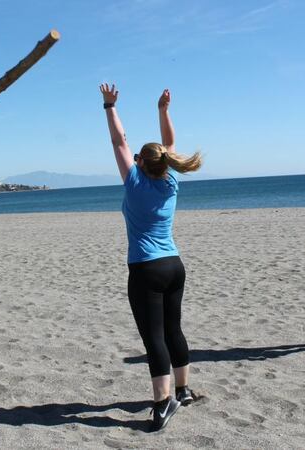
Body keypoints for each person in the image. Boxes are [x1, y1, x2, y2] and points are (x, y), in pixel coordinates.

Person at [99, 83, 203, 432]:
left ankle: (162, 405)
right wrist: (163, 110)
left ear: (142, 162)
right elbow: (168, 147)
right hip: (175, 265)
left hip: (146, 269)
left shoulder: (135, 182)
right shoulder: (170, 181)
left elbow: (119, 142)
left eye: (139, 158)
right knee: (173, 329)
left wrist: (109, 106)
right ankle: (183, 390)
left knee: (154, 338)